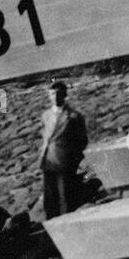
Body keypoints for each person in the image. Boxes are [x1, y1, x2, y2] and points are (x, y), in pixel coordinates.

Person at [37, 81, 89, 219]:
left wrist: (75, 158)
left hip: (65, 160)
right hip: (48, 159)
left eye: (59, 93)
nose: (55, 97)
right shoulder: (45, 115)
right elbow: (44, 136)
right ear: (49, 96)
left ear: (65, 95)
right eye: (52, 94)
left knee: (65, 196)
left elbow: (82, 140)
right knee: (50, 197)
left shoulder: (74, 116)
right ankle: (50, 225)